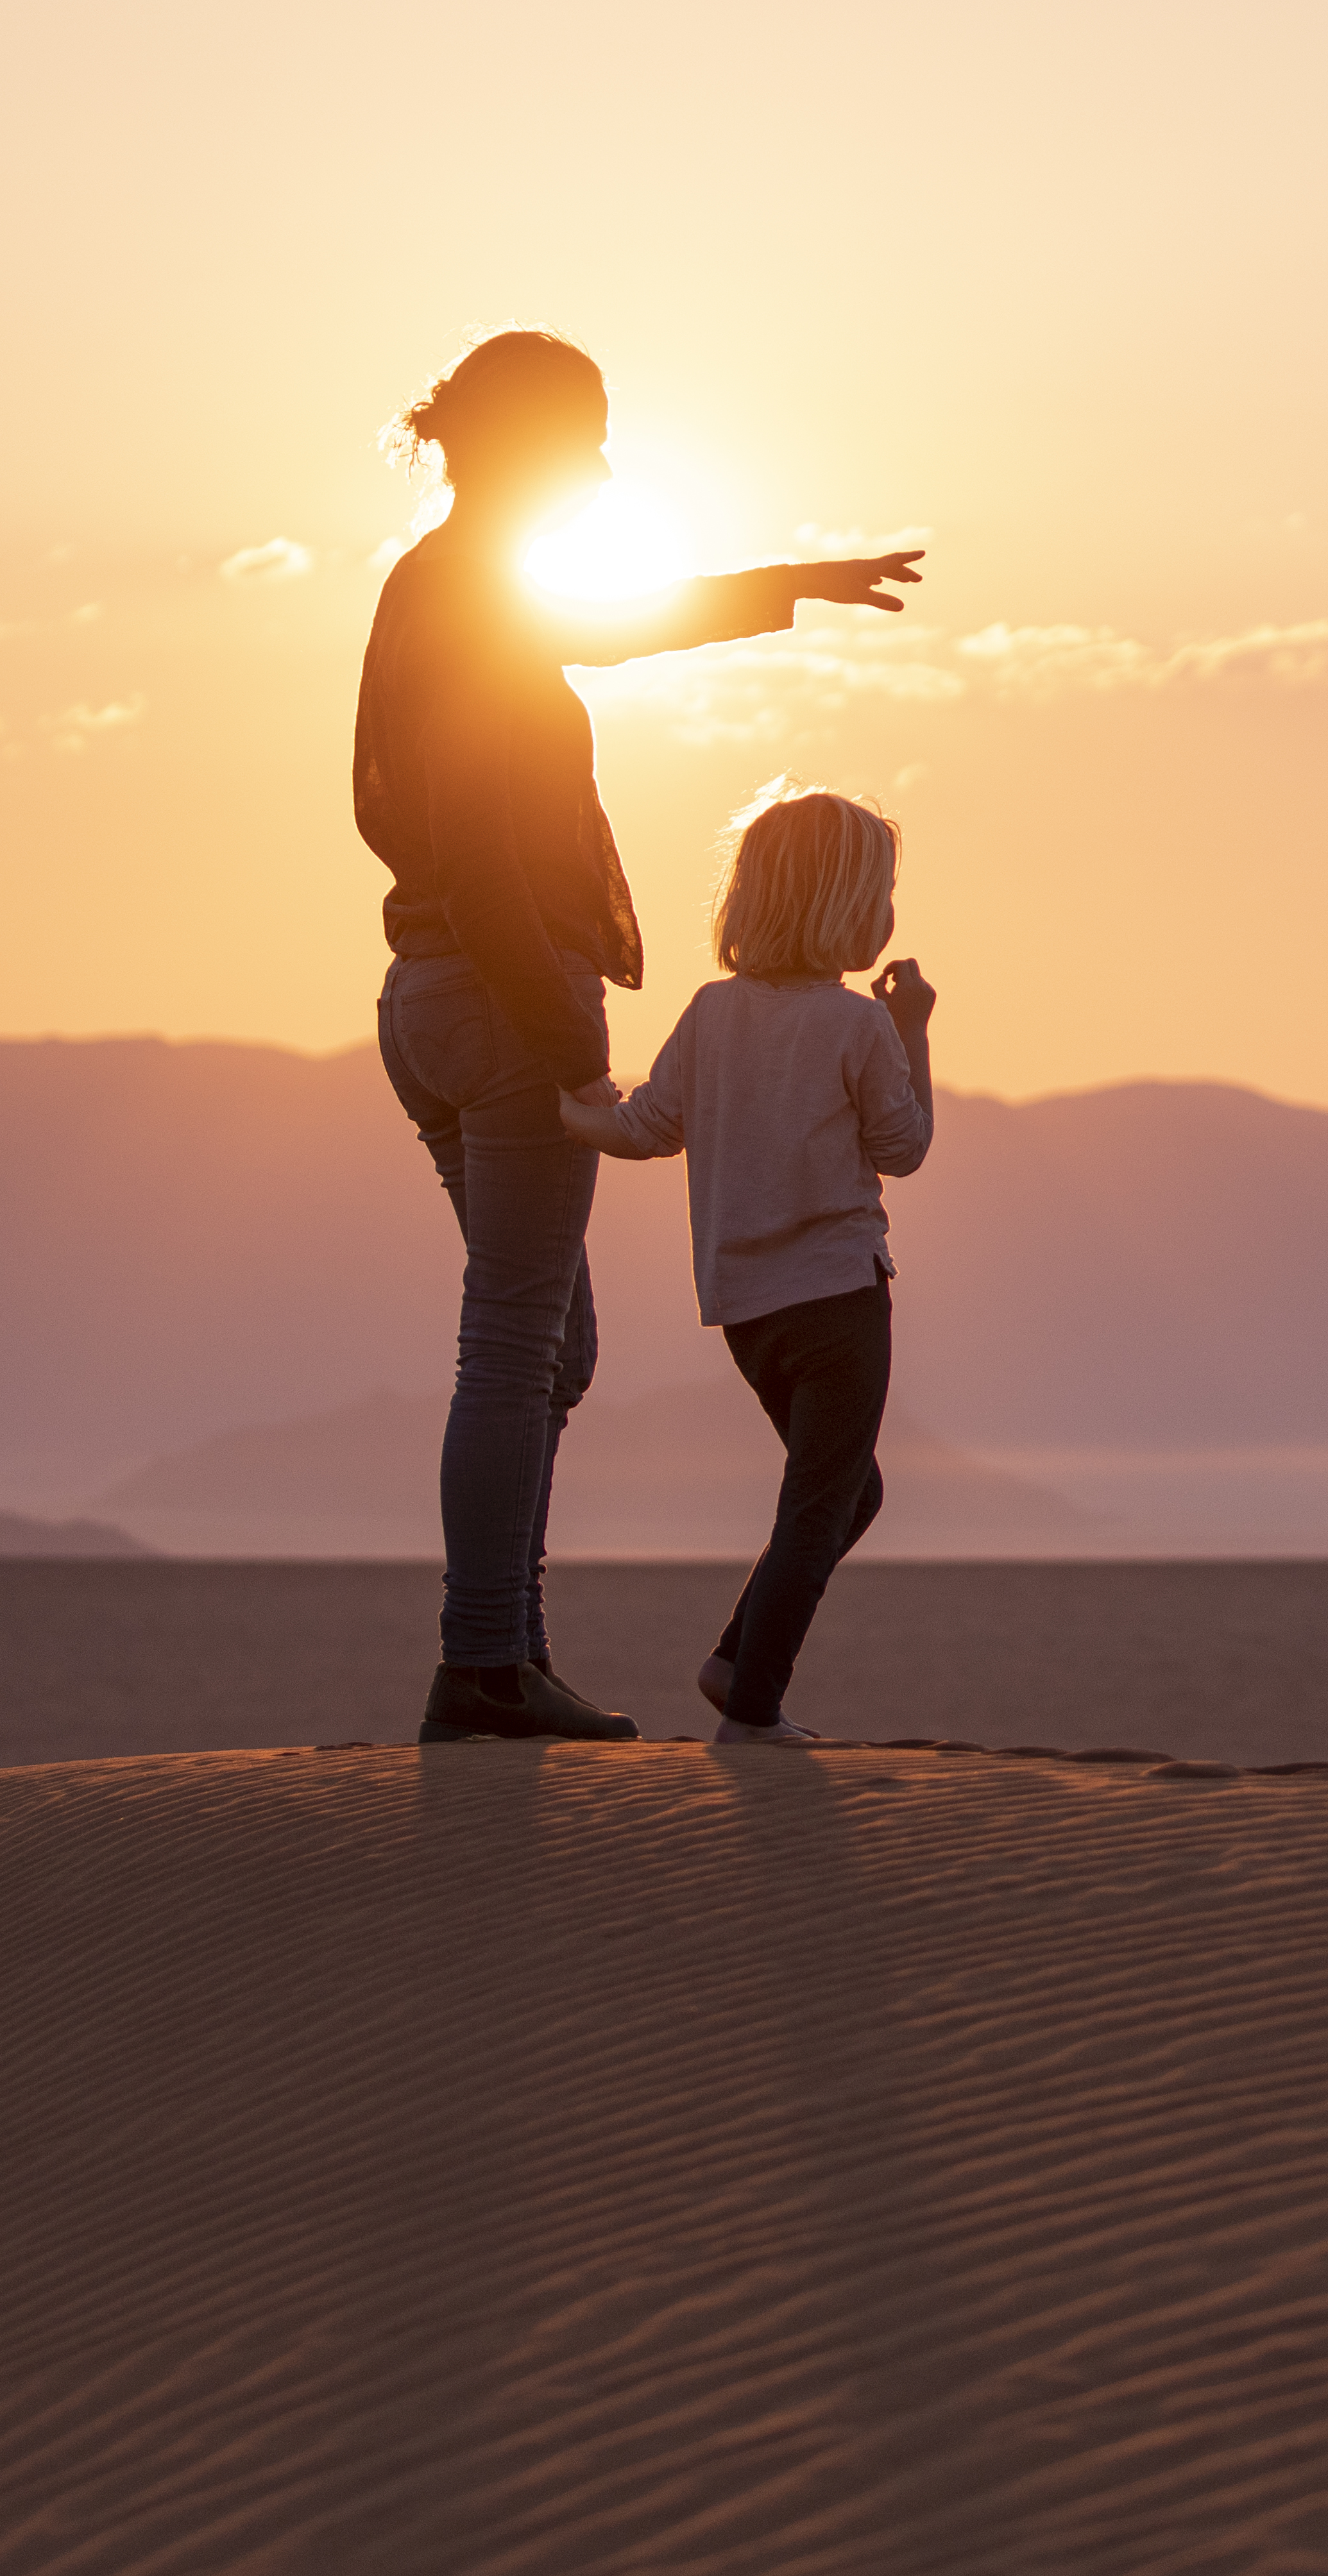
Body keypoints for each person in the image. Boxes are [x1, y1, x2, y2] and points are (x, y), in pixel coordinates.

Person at [354, 328, 922, 1747]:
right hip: (500, 996)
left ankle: (505, 1649)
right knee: (514, 1342)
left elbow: (608, 624)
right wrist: (558, 1026)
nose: (605, 461)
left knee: (552, 1346)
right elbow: (477, 839)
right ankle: (484, 1662)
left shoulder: (446, 585)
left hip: (432, 1000)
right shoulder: (467, 591)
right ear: (530, 439)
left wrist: (791, 581)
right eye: (588, 434)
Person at [559, 786, 936, 1744]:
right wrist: (914, 1031)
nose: (888, 911)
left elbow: (648, 1127)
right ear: (848, 906)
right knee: (821, 1507)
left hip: (745, 1313)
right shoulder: (857, 1027)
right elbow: (904, 1147)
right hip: (842, 1302)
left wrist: (568, 1107)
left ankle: (735, 1658)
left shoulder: (713, 1013)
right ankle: (752, 1708)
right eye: (881, 891)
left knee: (852, 1493)